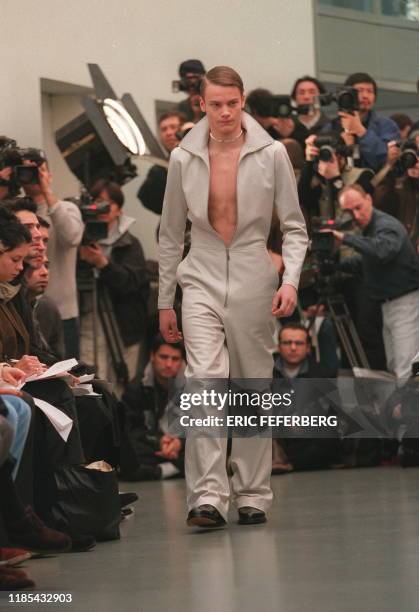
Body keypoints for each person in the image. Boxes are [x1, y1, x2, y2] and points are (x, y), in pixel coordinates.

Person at [158, 65, 308, 528]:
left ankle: (253, 495)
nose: (224, 112)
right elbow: (168, 234)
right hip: (199, 270)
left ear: (243, 101)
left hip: (252, 271)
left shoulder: (272, 154)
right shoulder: (184, 156)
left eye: (232, 103)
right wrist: (165, 298)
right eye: (215, 104)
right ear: (201, 103)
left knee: (250, 383)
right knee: (204, 378)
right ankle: (206, 496)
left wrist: (290, 280)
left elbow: (295, 227)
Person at [332, 184, 419, 379]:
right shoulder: (369, 229)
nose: (355, 215)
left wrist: (345, 238)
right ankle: (401, 407)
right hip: (388, 304)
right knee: (395, 365)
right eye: (348, 211)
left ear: (369, 199)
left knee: (405, 365)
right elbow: (366, 262)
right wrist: (334, 265)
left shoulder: (386, 225)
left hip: (405, 301)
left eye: (358, 207)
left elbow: (382, 251)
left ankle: (409, 408)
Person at [79, 179, 150, 383]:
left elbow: (131, 283)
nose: (99, 209)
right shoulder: (79, 238)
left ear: (119, 209)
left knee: (122, 384)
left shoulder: (129, 243)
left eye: (105, 204)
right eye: (95, 203)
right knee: (92, 381)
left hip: (123, 325)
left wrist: (103, 263)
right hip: (88, 320)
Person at [22, 160, 83, 359]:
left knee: (67, 377)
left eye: (38, 170)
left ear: (49, 174)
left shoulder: (66, 208)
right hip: (25, 306)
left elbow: (73, 236)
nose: (33, 176)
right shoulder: (18, 214)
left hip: (63, 312)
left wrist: (47, 192)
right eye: (25, 170)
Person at [272, 323, 341, 472]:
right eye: (287, 343)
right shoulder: (265, 371)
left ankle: (287, 463)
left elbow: (333, 413)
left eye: (299, 343)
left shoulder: (322, 374)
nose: (293, 348)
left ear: (308, 347)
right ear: (278, 346)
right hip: (274, 434)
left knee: (328, 437)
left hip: (306, 436)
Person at [120, 334, 185, 480]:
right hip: (151, 446)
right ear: (152, 356)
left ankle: (159, 471)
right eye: (163, 357)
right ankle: (173, 469)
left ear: (182, 361)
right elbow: (130, 429)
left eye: (175, 359)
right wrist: (159, 442)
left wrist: (179, 443)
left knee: (207, 444)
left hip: (180, 447)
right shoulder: (136, 387)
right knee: (125, 451)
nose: (169, 364)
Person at [323, 72, 400, 172]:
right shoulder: (331, 127)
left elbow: (385, 159)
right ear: (347, 95)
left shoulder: (387, 125)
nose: (365, 96)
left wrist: (362, 132)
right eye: (360, 91)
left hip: (377, 184)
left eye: (370, 91)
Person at [137, 111, 186, 216]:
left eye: (173, 127)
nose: (168, 133)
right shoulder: (158, 170)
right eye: (164, 129)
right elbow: (146, 198)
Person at [176, 59, 206, 123]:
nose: (193, 85)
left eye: (196, 81)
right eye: (188, 82)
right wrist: (197, 116)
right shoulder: (180, 108)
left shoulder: (216, 102)